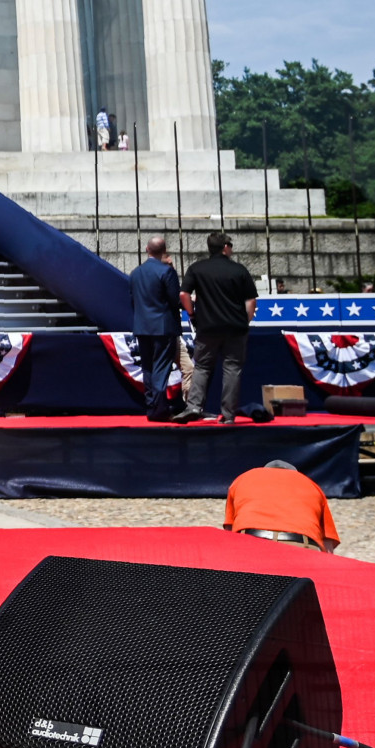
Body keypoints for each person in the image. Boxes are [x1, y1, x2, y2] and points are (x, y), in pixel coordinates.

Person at [183, 230, 259, 424]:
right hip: (235, 327)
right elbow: (250, 301)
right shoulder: (239, 270)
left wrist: (192, 314)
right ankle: (228, 415)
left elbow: (184, 294)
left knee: (202, 367)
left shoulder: (197, 268)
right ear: (226, 247)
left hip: (207, 326)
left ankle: (193, 406)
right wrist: (245, 321)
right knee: (232, 369)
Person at [224, 459, 339, 552]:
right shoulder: (311, 485)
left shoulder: (243, 479)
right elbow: (328, 542)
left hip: (250, 542)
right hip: (300, 546)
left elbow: (229, 530)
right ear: (294, 473)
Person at [127, 236, 184, 422]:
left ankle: (152, 405)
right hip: (163, 326)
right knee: (161, 367)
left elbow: (133, 299)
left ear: (146, 249)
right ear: (164, 250)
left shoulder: (136, 273)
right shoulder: (167, 271)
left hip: (142, 326)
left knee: (148, 368)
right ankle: (159, 408)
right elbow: (174, 300)